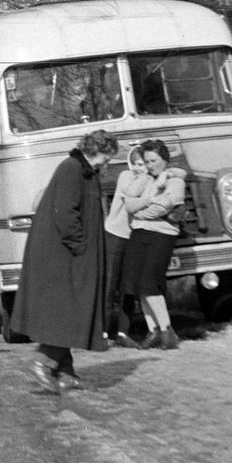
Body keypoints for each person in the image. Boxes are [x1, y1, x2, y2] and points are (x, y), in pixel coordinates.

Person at [8, 129, 119, 393]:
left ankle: (65, 371)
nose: (107, 162)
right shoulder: (71, 169)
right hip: (62, 255)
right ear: (95, 150)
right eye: (107, 156)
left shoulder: (84, 171)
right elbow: (65, 213)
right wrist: (81, 246)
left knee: (66, 310)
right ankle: (43, 362)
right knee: (69, 310)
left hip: (66, 252)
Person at [118, 139, 187, 350]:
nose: (150, 165)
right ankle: (153, 329)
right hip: (140, 232)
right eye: (147, 161)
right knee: (137, 283)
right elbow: (128, 201)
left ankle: (167, 331)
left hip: (162, 235)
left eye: (154, 160)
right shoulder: (146, 178)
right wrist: (142, 205)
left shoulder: (176, 182)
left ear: (165, 159)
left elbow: (163, 206)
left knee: (149, 281)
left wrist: (140, 210)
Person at [103, 149, 140, 348]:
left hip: (133, 238)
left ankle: (123, 333)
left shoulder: (149, 180)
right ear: (131, 165)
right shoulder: (126, 177)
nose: (142, 169)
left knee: (128, 287)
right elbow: (133, 195)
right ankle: (102, 333)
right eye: (138, 164)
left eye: (145, 164)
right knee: (109, 285)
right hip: (115, 235)